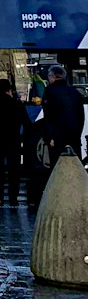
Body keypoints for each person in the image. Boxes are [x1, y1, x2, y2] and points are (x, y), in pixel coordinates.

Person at [30, 64, 87, 207]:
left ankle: (58, 198)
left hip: (58, 137)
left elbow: (50, 117)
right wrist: (77, 134)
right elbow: (81, 117)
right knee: (74, 167)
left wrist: (50, 138)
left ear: (52, 77)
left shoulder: (50, 91)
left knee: (57, 168)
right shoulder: (75, 92)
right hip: (74, 137)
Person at [0, 79, 30, 207]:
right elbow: (27, 124)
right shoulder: (18, 104)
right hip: (13, 142)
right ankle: (13, 198)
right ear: (10, 90)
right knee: (14, 171)